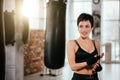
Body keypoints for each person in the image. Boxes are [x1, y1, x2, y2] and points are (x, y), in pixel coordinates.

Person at [67, 13, 104, 80]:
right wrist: (88, 62)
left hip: (94, 78)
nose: (84, 30)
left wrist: (97, 66)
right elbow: (73, 67)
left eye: (87, 26)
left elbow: (97, 63)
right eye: (81, 26)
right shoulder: (72, 43)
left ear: (92, 28)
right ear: (78, 27)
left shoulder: (96, 43)